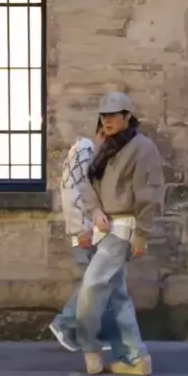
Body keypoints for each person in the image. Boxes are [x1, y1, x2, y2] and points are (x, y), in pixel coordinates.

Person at [77, 92, 164, 376]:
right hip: (104, 229)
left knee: (91, 287)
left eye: (114, 115)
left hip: (123, 230)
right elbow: (87, 184)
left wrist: (142, 235)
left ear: (127, 116)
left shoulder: (143, 148)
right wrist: (95, 212)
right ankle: (136, 358)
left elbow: (149, 195)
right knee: (117, 296)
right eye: (104, 115)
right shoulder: (103, 146)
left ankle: (90, 349)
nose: (107, 120)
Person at [49, 121, 117, 352]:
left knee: (100, 283)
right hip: (86, 231)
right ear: (101, 133)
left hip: (93, 231)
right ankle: (65, 323)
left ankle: (90, 335)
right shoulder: (84, 150)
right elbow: (71, 192)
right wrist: (80, 229)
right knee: (94, 283)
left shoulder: (91, 155)